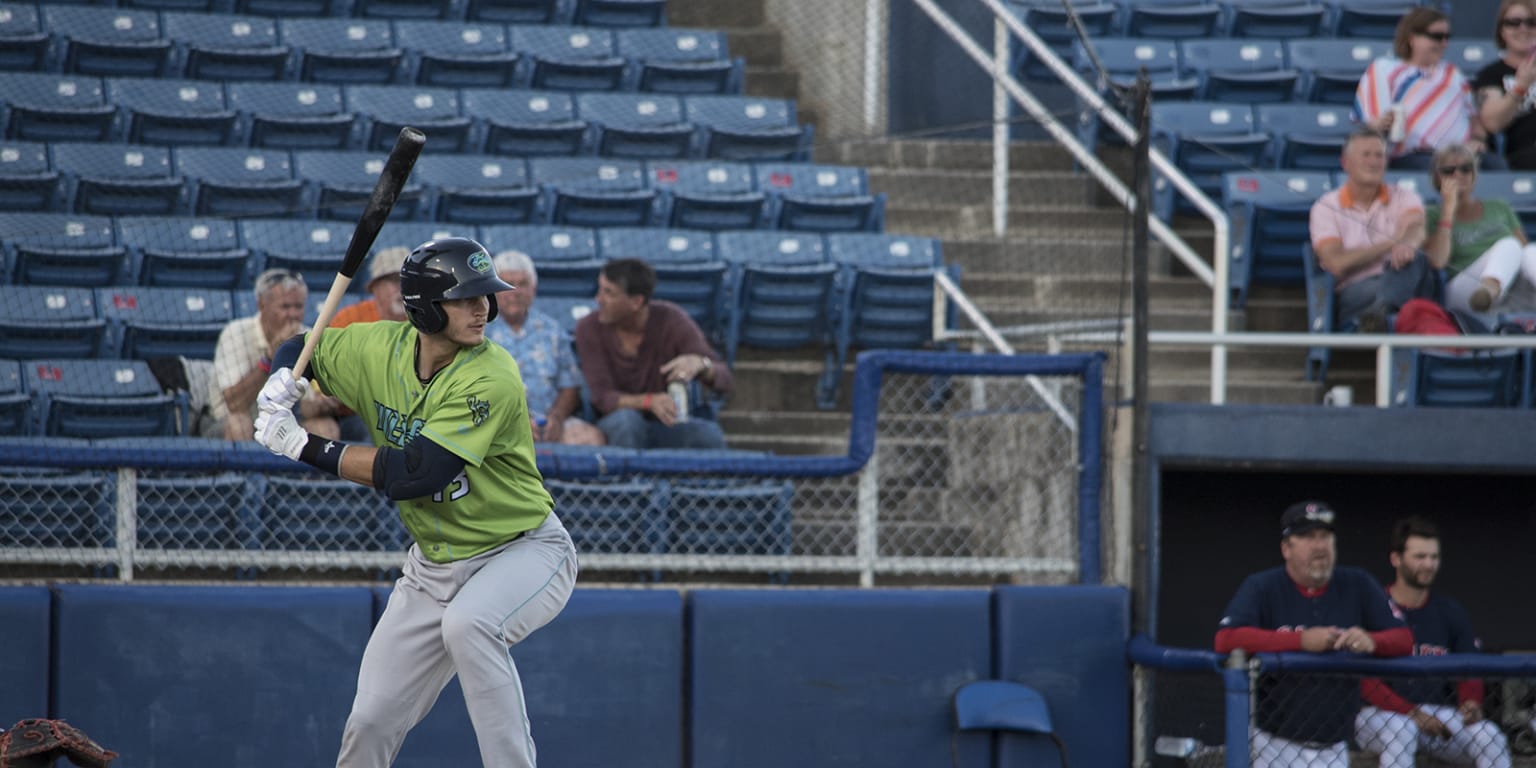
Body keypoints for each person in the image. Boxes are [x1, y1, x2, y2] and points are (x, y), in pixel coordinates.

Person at [252, 237, 578, 768]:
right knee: (372, 719)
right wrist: (282, 381)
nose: (482, 309)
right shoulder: (378, 348)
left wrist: (301, 444)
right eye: (465, 298)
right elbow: (300, 345)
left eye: (485, 296)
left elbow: (416, 475)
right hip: (434, 567)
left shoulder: (490, 374)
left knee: (471, 625)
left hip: (522, 550)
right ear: (425, 307)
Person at [1214, 500, 1413, 768]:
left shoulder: (1357, 583)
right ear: (1286, 548)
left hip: (1333, 747)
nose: (1319, 546)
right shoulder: (1263, 586)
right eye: (1308, 537)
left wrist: (1372, 641)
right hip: (1273, 744)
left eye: (1325, 536)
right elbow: (1226, 639)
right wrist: (1301, 640)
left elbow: (1404, 639)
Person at [1355, 516, 1511, 768]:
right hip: (1379, 716)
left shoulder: (1450, 611)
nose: (1428, 564)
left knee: (1489, 736)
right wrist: (1411, 712)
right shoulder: (1373, 608)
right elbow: (1364, 682)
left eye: (1433, 557)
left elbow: (1469, 667)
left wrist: (1470, 702)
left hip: (1435, 715)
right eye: (1419, 557)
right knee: (1400, 729)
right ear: (1396, 559)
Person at [574, 258, 732, 450]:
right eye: (600, 289)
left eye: (609, 293)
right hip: (612, 424)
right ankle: (625, 480)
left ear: (636, 302)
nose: (598, 299)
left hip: (664, 422)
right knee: (628, 422)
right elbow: (602, 397)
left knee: (709, 436)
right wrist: (649, 401)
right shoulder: (588, 328)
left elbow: (724, 377)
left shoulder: (671, 319)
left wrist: (702, 364)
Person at [1310, 127, 1437, 332]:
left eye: (1379, 155)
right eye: (1366, 155)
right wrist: (1391, 242)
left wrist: (1407, 243)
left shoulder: (1404, 196)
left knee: (1416, 259)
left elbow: (1415, 226)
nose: (1374, 161)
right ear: (1346, 163)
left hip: (1404, 281)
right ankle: (1386, 309)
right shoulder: (1325, 207)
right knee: (1411, 287)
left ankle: (1383, 310)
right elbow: (1336, 264)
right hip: (1358, 291)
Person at [1353, 7, 1498, 170]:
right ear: (1412, 38)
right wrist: (1381, 123)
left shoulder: (1453, 73)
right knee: (1440, 170)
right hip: (1414, 155)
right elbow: (1370, 124)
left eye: (1446, 37)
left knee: (1496, 166)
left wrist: (1477, 140)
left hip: (1461, 154)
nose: (1444, 43)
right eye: (1436, 37)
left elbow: (1474, 121)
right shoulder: (1384, 69)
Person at [484, 249, 603, 445]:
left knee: (591, 439)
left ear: (534, 289)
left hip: (546, 421)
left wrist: (556, 418)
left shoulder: (553, 331)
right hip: (496, 420)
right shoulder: (480, 329)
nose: (516, 292)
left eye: (523, 284)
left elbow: (570, 387)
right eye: (508, 284)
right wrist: (517, 421)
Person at [209, 268, 342, 441]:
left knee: (326, 428)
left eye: (298, 306)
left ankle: (304, 470)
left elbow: (306, 408)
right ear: (262, 306)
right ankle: (241, 470)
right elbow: (235, 405)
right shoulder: (236, 333)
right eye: (285, 307)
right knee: (239, 425)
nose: (293, 315)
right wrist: (271, 358)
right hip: (229, 423)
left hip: (285, 423)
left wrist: (320, 404)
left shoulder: (309, 337)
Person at [1423, 142, 1536, 317]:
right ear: (1437, 177)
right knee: (1509, 244)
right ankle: (1488, 289)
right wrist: (1448, 210)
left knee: (1529, 250)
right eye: (1449, 171)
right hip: (1463, 289)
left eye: (1465, 169)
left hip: (1509, 285)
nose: (1458, 175)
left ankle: (1492, 288)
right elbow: (1437, 262)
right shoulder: (1431, 214)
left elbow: (1523, 251)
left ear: (1474, 175)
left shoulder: (1498, 206)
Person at [1475, 0, 1536, 170]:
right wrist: (1520, 87)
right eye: (1513, 23)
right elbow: (1493, 122)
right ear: (1501, 30)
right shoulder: (1491, 75)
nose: (1523, 29)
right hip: (1522, 156)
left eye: (1532, 22)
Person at [330, 246, 409, 327]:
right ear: (376, 287)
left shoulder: (421, 319)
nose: (405, 287)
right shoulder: (349, 319)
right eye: (396, 279)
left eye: (410, 281)